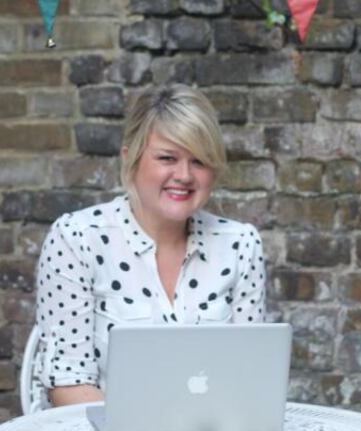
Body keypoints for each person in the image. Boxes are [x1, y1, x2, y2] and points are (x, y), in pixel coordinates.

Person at [34, 84, 267, 408]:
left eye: (199, 161)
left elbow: (250, 378)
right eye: (167, 158)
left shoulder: (240, 245)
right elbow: (67, 384)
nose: (184, 175)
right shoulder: (78, 239)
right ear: (130, 158)